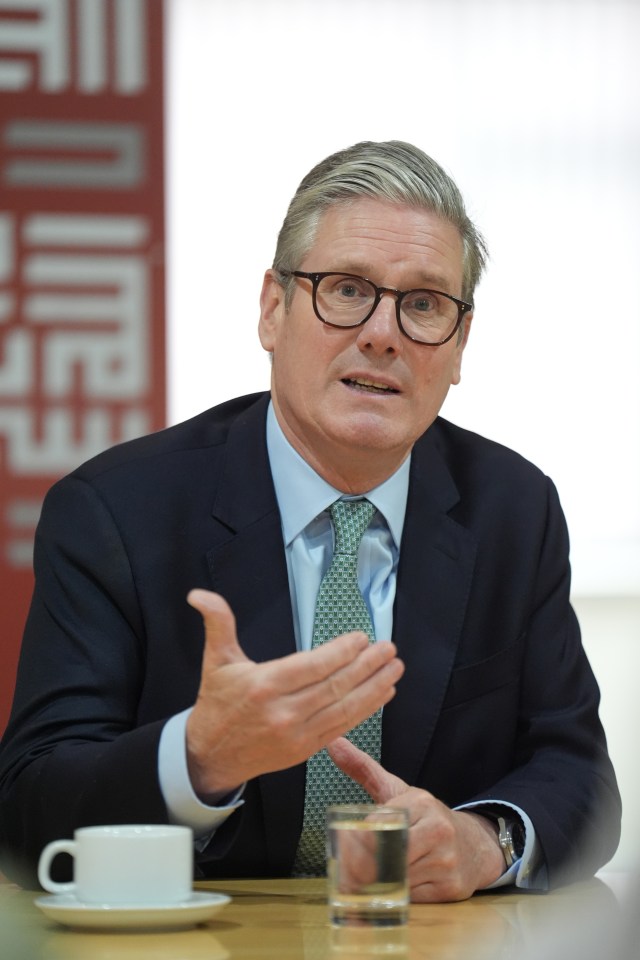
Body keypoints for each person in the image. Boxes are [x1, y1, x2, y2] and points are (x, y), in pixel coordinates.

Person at [0, 141, 621, 901]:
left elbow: (578, 771)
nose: (384, 333)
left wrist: (482, 841)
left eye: (424, 304)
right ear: (273, 309)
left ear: (459, 346)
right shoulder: (115, 512)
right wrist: (198, 759)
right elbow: (27, 808)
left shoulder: (513, 509)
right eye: (347, 289)